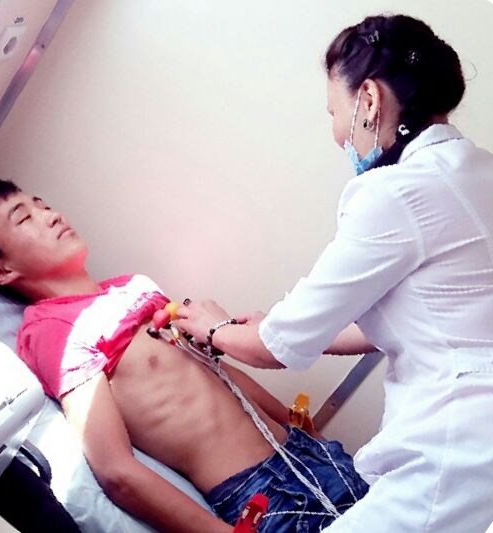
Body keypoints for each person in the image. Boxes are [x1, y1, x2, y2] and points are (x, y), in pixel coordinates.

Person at [176, 14, 493, 533]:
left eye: (333, 111)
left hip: (456, 444)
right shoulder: (478, 171)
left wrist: (216, 328)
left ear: (367, 99)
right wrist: (290, 330)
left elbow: (276, 348)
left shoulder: (394, 193)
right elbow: (414, 318)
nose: (336, 133)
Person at [0, 179, 368, 532]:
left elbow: (217, 374)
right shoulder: (53, 331)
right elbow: (115, 470)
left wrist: (305, 432)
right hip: (262, 496)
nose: (50, 215)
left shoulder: (133, 287)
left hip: (312, 456)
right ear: (1, 271)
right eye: (24, 218)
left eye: (42, 204)